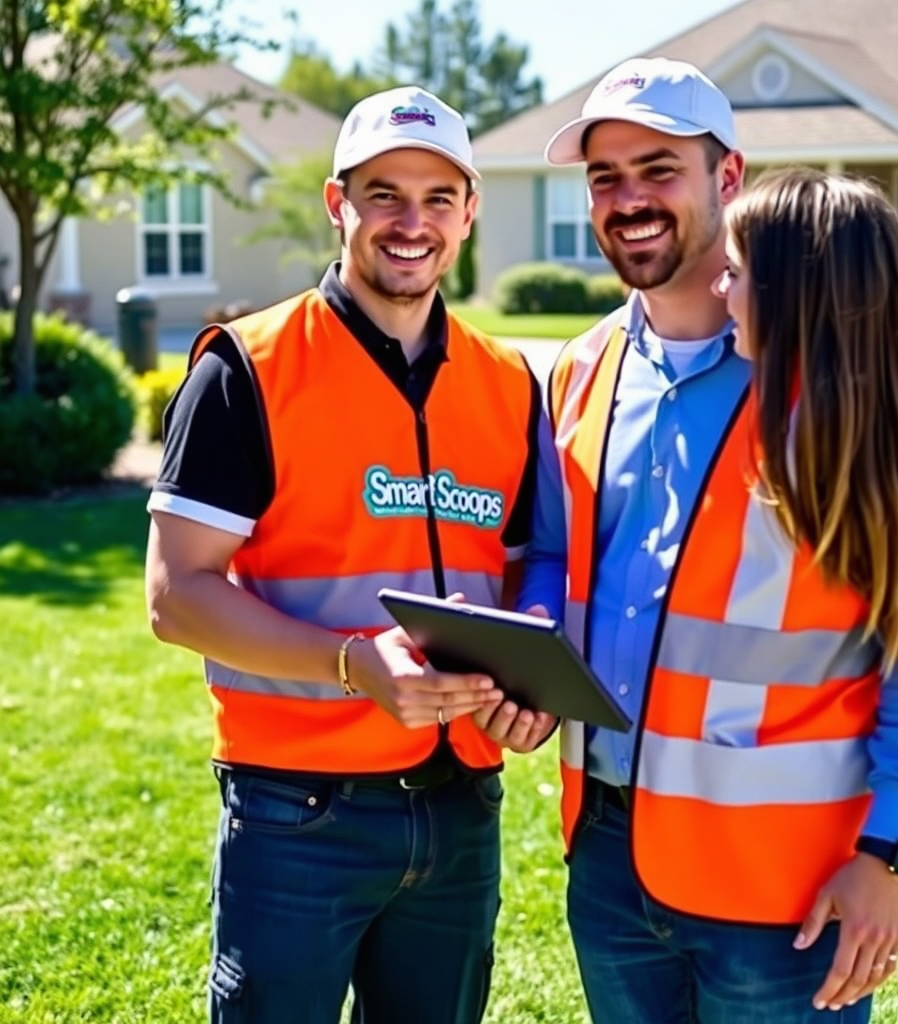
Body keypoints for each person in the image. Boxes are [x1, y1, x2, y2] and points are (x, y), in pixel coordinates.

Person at [479, 58, 898, 1023]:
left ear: (728, 176)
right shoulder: (578, 371)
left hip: (783, 885)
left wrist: (892, 853)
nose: (629, 199)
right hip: (609, 854)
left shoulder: (823, 378)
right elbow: (549, 553)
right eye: (604, 176)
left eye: (658, 168)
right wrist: (532, 667)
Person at [144, 85, 542, 1024]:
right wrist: (350, 664)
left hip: (460, 811)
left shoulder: (509, 384)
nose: (412, 223)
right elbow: (177, 598)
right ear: (338, 203)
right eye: (383, 194)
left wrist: (532, 685)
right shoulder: (246, 367)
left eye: (439, 198)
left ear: (471, 212)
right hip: (297, 816)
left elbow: (524, 581)